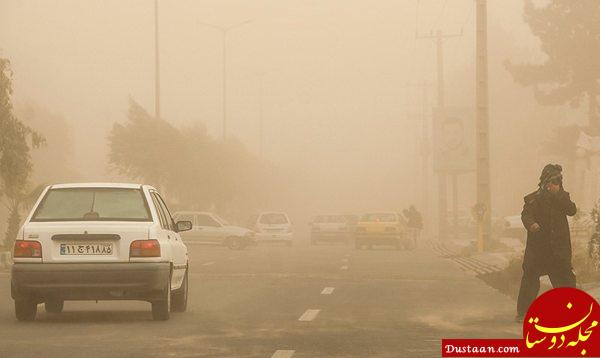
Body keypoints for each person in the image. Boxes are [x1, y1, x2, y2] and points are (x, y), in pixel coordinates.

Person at [516, 164, 577, 322]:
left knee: (565, 282)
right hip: (538, 250)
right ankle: (523, 313)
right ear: (544, 181)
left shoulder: (562, 197)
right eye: (552, 180)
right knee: (530, 280)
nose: (554, 184)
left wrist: (559, 194)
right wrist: (531, 224)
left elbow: (572, 210)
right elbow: (526, 215)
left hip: (558, 250)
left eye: (557, 180)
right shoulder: (533, 198)